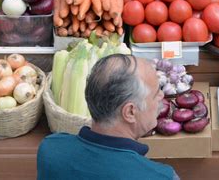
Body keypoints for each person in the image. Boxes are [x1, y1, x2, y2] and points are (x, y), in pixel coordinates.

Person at [37, 54, 179, 179]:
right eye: (155, 94)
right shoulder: (161, 176)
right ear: (130, 112)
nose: (162, 95)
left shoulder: (50, 149)